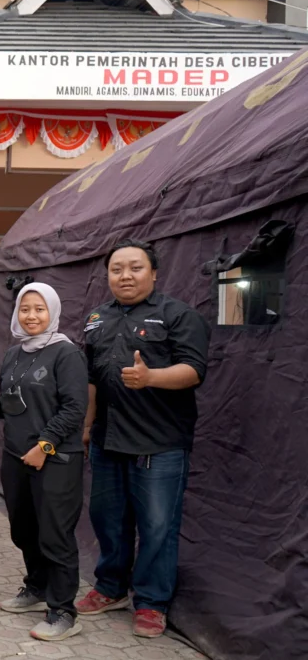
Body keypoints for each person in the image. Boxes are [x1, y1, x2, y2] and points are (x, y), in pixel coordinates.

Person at [76, 239, 210, 638]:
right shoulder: (96, 318)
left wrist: (151, 377)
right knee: (108, 520)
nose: (125, 276)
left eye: (135, 268)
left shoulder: (178, 315)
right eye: (117, 269)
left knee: (157, 525)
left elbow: (194, 370)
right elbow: (91, 379)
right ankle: (111, 587)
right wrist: (87, 426)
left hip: (159, 442)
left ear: (153, 272)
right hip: (107, 440)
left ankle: (151, 602)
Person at [0, 283, 88, 641]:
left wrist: (45, 444)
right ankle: (37, 588)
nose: (31, 316)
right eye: (25, 309)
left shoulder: (66, 354)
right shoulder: (16, 353)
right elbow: (16, 403)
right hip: (16, 457)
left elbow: (75, 408)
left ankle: (63, 610)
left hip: (55, 460)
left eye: (39, 309)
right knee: (24, 530)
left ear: (52, 312)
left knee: (55, 535)